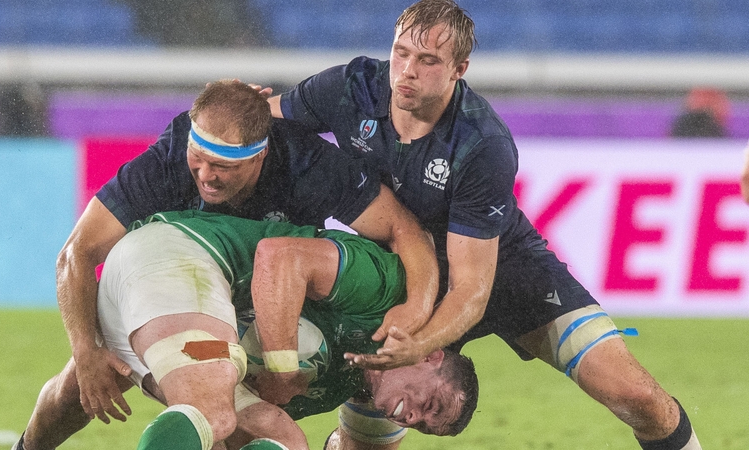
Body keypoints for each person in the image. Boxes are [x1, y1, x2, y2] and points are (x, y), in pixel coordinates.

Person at [269, 1, 701, 448]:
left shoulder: (482, 144)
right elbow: (262, 121)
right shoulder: (350, 88)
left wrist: (420, 346)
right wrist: (228, 108)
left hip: (508, 275)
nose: (407, 71)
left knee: (635, 395)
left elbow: (472, 289)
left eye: (428, 60)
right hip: (403, 276)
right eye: (401, 53)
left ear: (459, 69)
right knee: (368, 442)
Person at [13, 80, 439, 450]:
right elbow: (77, 252)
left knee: (257, 429)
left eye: (223, 167)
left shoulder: (308, 165)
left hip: (241, 297)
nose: (205, 176)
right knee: (89, 385)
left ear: (260, 155)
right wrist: (85, 350)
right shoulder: (168, 160)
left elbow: (404, 230)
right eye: (198, 159)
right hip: (168, 278)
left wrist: (416, 308)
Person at [95, 210, 477, 448]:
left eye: (423, 427)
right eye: (431, 405)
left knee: (283, 441)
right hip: (172, 259)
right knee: (215, 413)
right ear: (431, 355)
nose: (412, 419)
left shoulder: (349, 386)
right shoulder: (385, 290)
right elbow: (278, 256)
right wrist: (282, 368)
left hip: (144, 336)